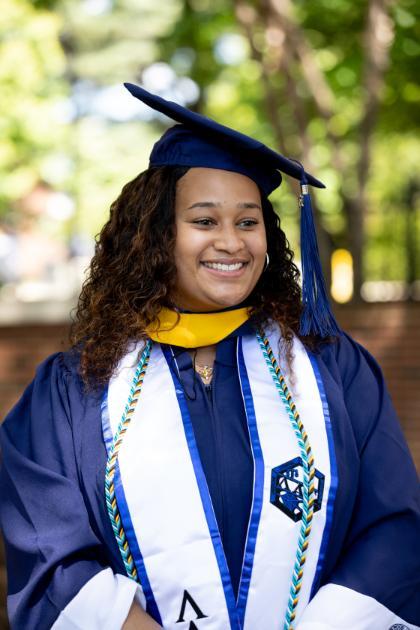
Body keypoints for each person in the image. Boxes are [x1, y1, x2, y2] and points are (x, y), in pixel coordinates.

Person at [0, 83, 419, 630]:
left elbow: (392, 526)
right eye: (204, 222)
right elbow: (49, 545)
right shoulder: (76, 387)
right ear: (155, 236)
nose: (231, 242)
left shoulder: (330, 369)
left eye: (248, 222)